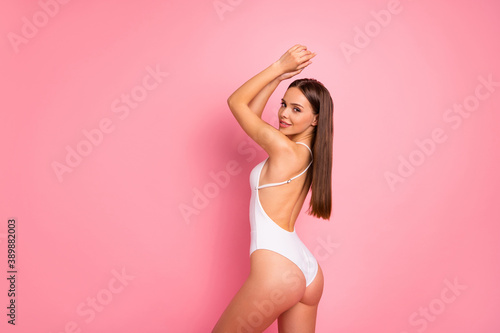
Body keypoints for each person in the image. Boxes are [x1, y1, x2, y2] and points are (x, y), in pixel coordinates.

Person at [212, 44, 334, 332]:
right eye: (283, 104)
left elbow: (236, 103)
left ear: (315, 119)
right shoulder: (301, 152)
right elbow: (251, 116)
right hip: (305, 269)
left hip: (277, 269)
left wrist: (278, 67)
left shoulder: (284, 150)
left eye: (296, 109)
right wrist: (278, 80)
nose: (284, 114)